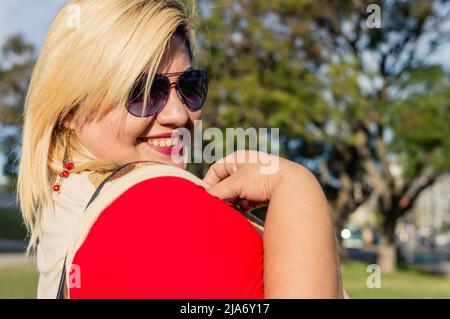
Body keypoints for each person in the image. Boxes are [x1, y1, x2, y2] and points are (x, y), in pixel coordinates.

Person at [17, 0, 343, 299]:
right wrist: (297, 189)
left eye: (189, 86)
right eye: (143, 92)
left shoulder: (70, 202)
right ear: (71, 110)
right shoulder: (155, 211)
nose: (178, 115)